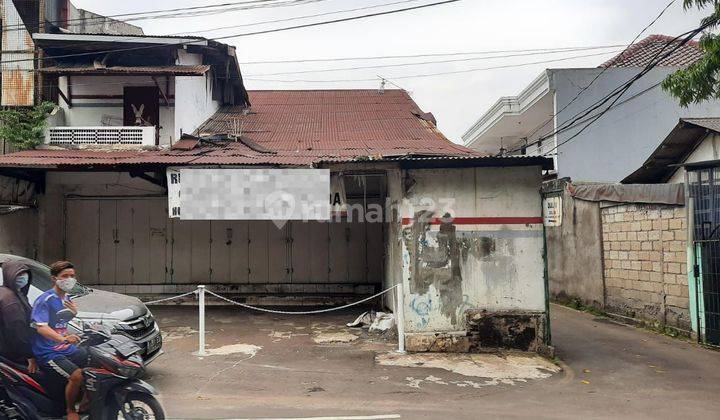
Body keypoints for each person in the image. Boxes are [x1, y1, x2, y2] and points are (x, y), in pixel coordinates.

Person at [31, 261, 85, 420]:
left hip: (64, 347)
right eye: (65, 276)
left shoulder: (66, 297)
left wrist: (74, 315)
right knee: (77, 376)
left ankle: (87, 401)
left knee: (94, 359)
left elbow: (59, 324)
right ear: (55, 279)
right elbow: (41, 327)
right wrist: (64, 339)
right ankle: (70, 410)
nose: (69, 279)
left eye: (72, 276)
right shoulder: (45, 300)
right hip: (49, 351)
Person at [0, 261, 37, 373]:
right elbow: (17, 330)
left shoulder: (16, 293)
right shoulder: (10, 300)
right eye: (19, 274)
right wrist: (29, 355)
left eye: (25, 274)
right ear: (10, 275)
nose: (22, 277)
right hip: (14, 354)